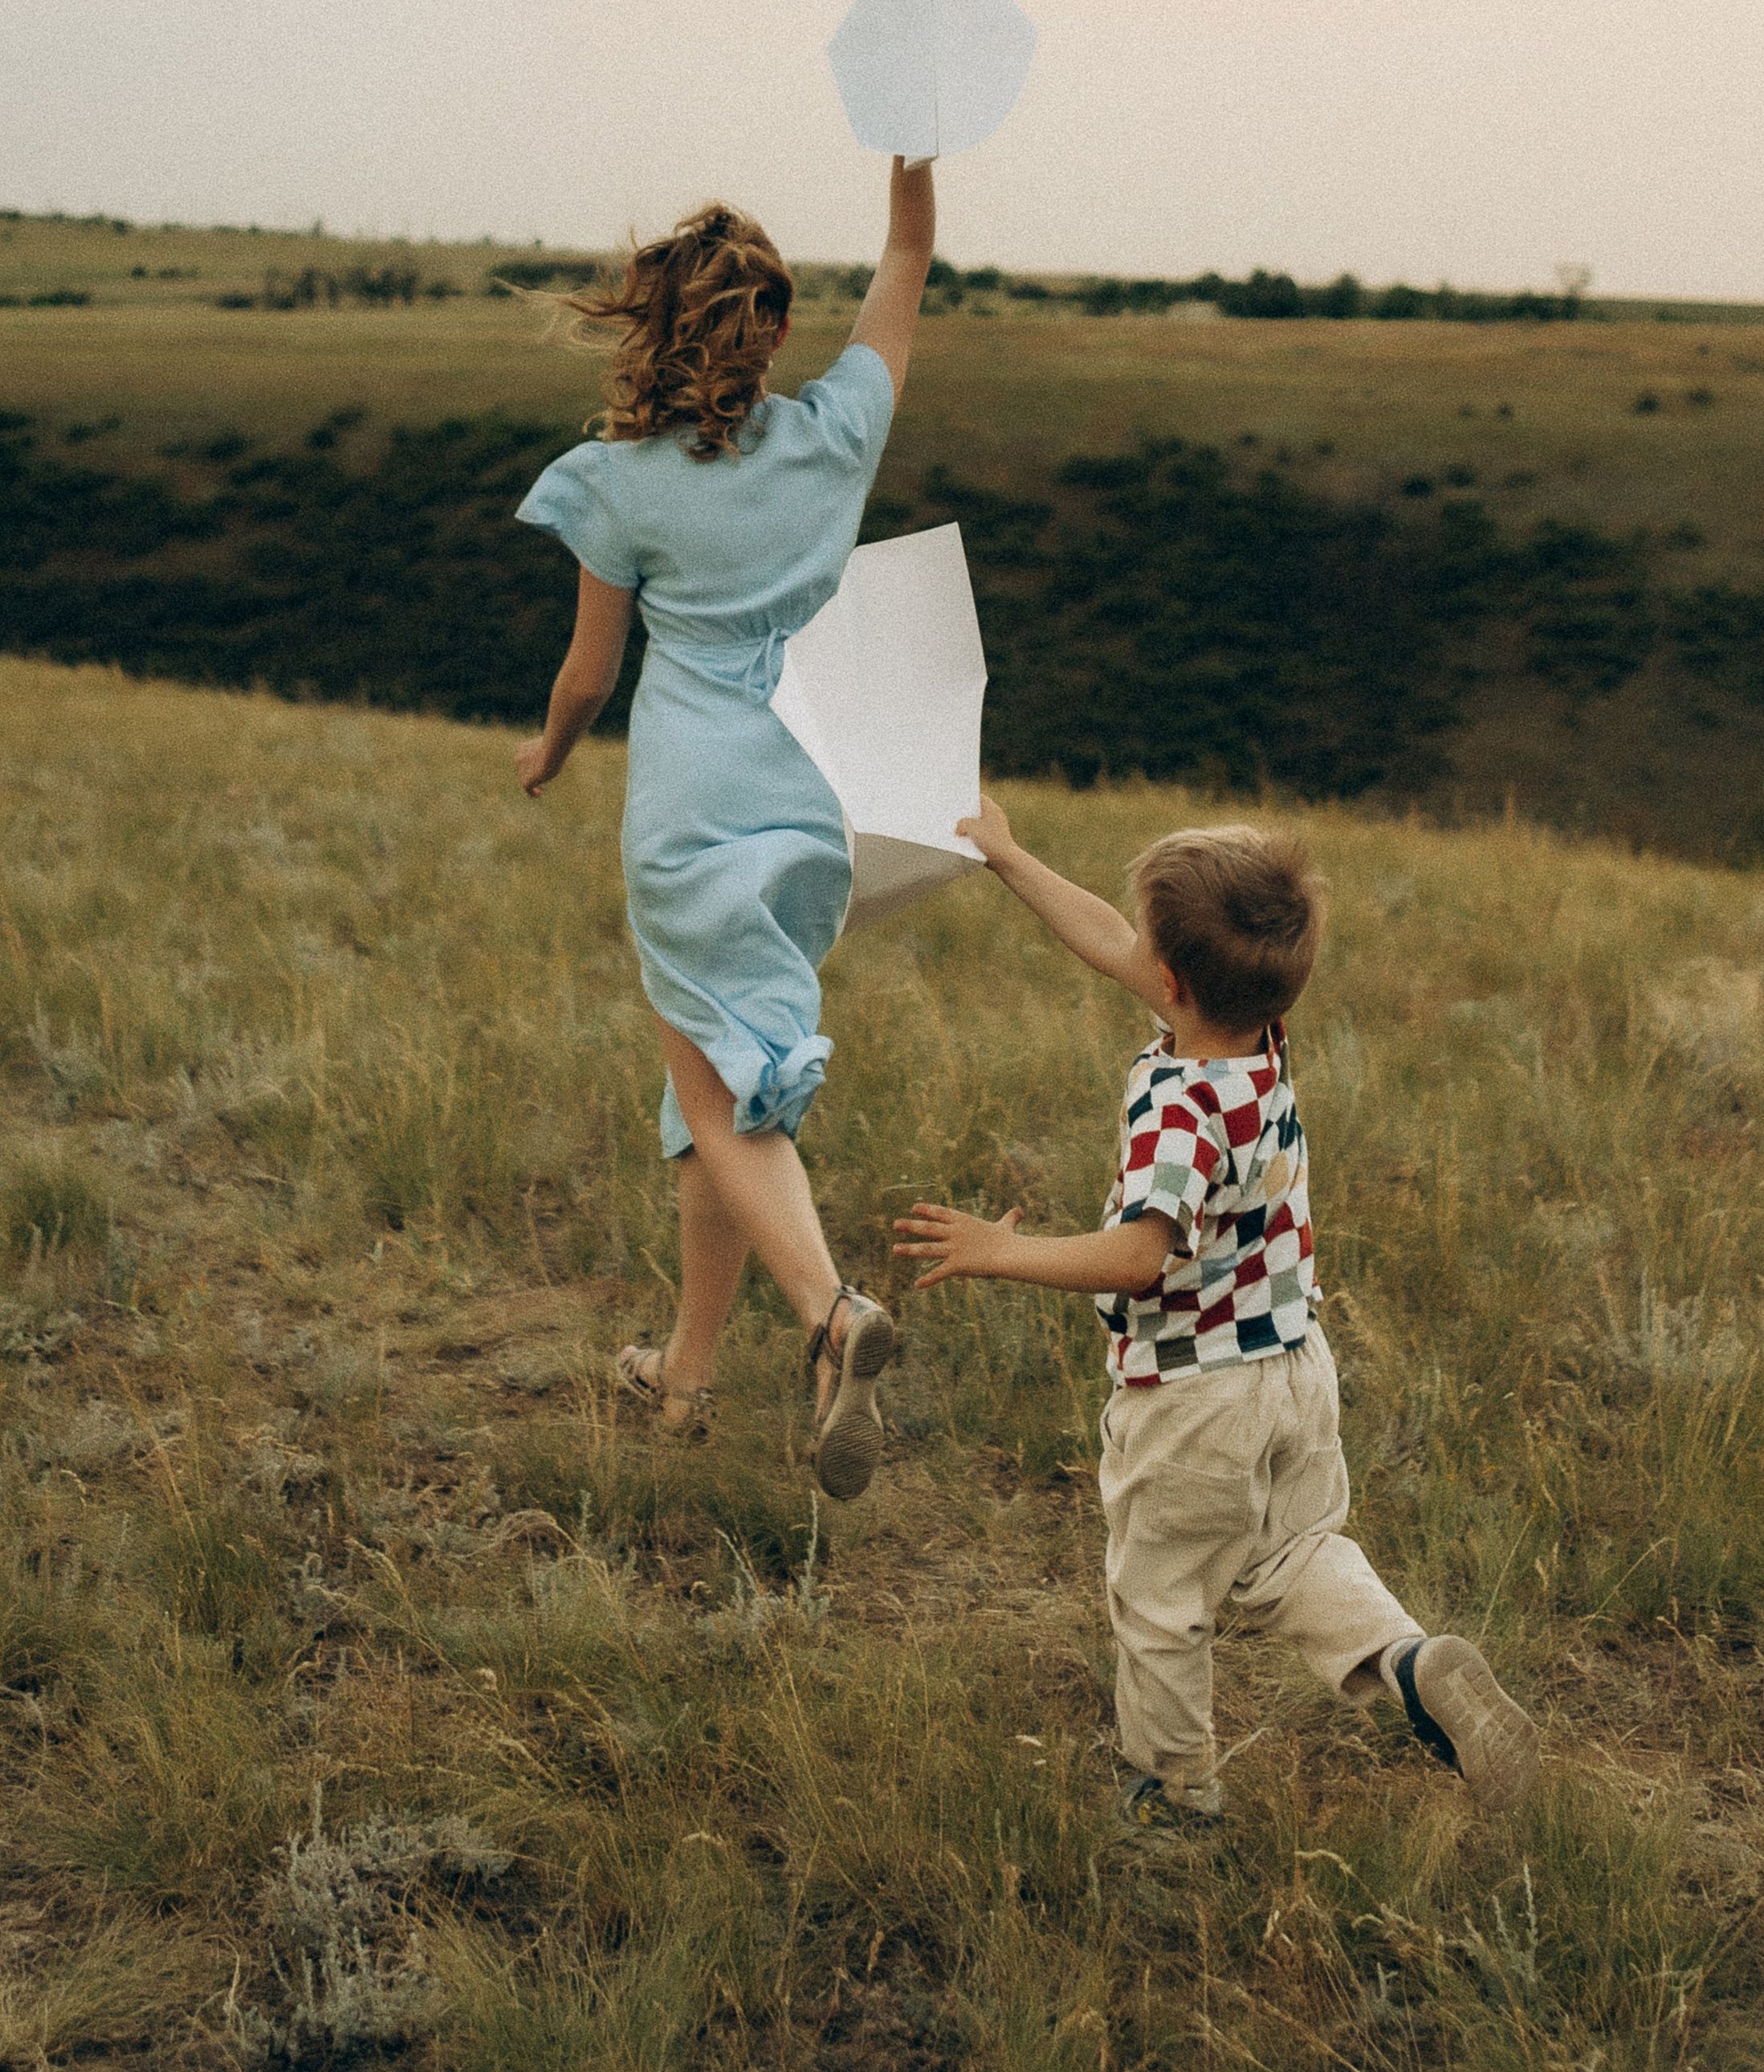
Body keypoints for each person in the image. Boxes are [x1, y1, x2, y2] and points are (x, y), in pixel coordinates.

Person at [895, 806, 1540, 1826]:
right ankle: (1410, 1664)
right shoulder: (1259, 1051)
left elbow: (1141, 1256)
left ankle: (1173, 1792)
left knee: (1159, 1602)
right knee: (1294, 1552)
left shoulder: (1178, 1108)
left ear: (1173, 983)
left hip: (1193, 1399)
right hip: (1293, 1368)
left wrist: (999, 1249)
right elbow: (1120, 945)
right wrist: (1010, 858)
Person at [512, 160, 935, 1500]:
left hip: (692, 809)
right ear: (775, 329)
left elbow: (589, 671)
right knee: (726, 1087)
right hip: (817, 804)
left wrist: (550, 750)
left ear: (654, 331)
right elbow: (907, 269)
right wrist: (909, 176)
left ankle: (829, 1316)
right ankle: (687, 1373)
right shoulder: (834, 436)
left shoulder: (616, 483)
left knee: (715, 1091)